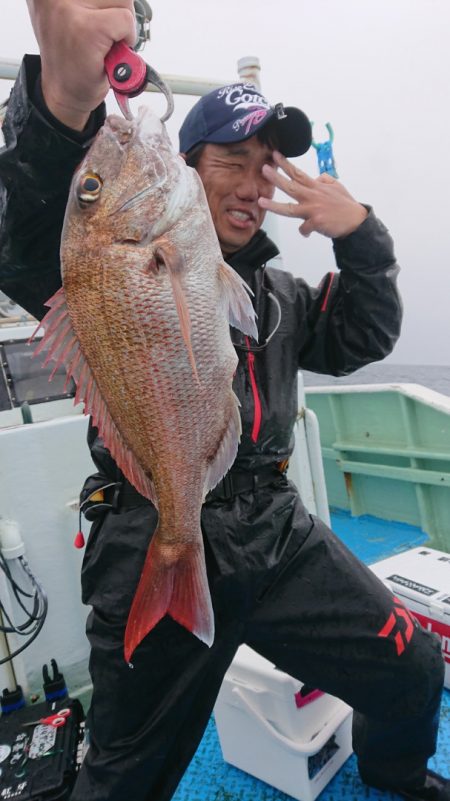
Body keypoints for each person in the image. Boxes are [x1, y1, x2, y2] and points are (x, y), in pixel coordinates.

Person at [0, 2, 448, 800]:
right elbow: (26, 238)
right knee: (124, 772)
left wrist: (363, 235)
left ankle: (398, 773)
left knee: (412, 666)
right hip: (151, 528)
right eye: (232, 160)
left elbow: (364, 337)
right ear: (185, 165)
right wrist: (61, 102)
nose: (253, 185)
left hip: (275, 533)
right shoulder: (107, 258)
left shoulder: (278, 294)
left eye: (267, 167)